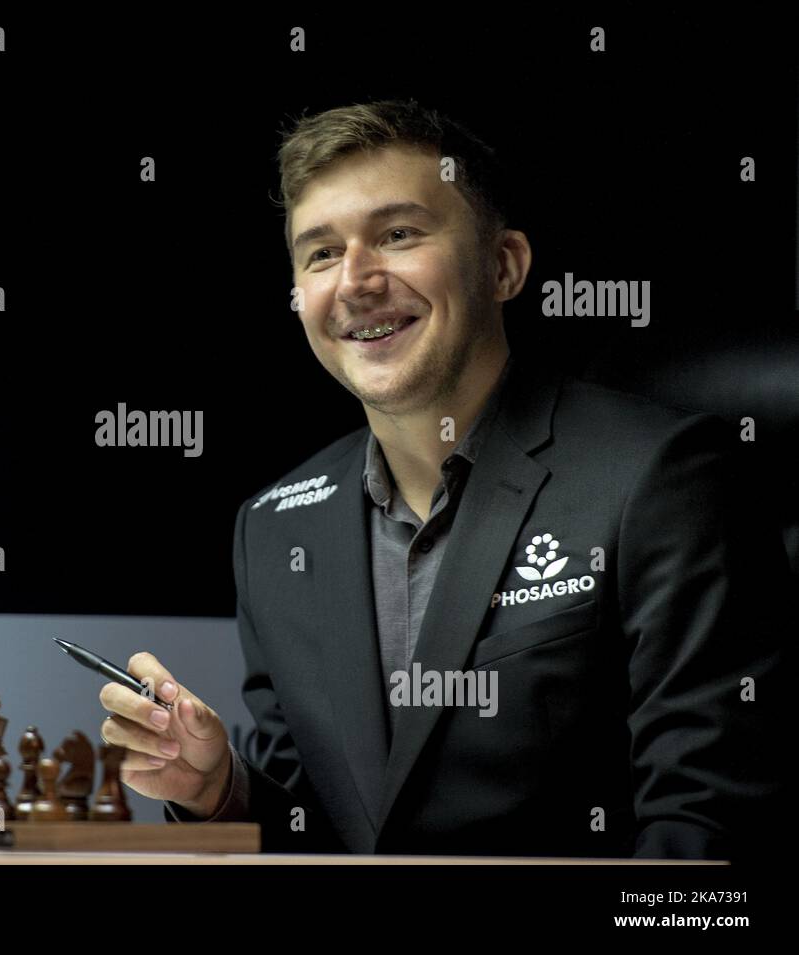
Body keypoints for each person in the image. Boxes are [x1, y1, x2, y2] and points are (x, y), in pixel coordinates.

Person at [96, 99, 785, 858]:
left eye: (398, 234)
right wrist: (218, 790)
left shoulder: (660, 475)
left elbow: (713, 845)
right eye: (321, 253)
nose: (356, 281)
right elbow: (325, 835)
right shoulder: (272, 526)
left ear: (503, 266)